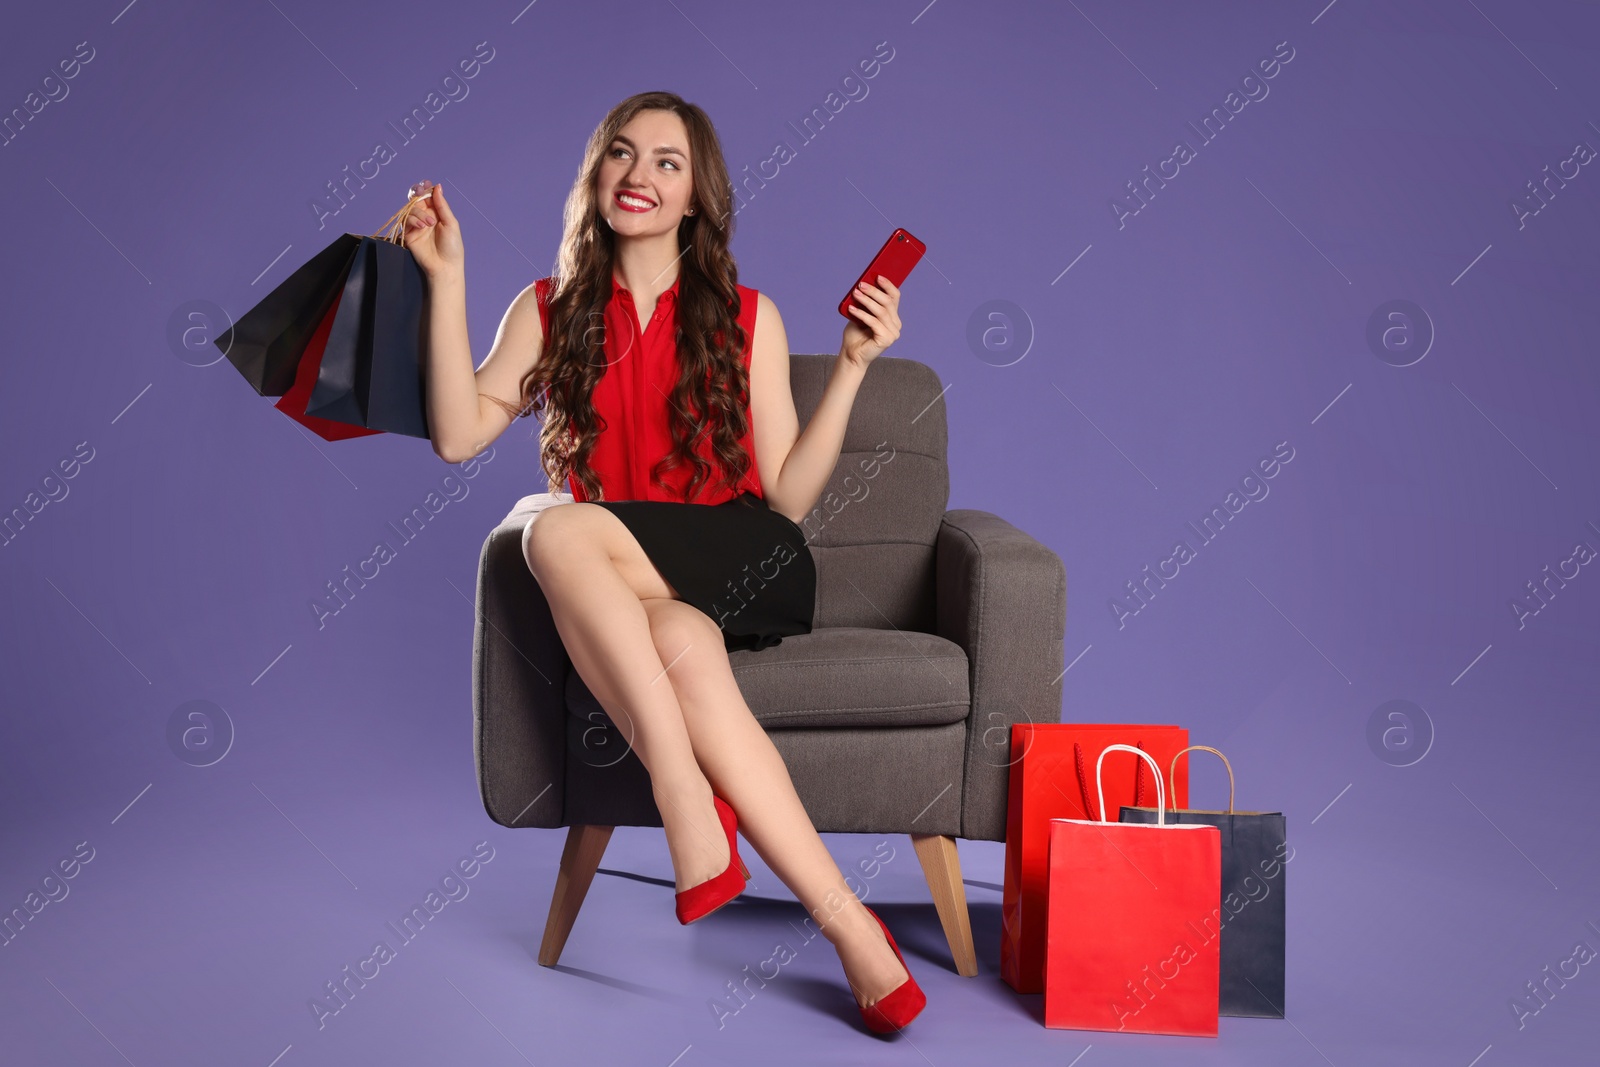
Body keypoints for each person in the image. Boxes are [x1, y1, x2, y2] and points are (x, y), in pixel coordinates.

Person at [407, 91, 924, 1035]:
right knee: (677, 637)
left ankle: (683, 797)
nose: (638, 175)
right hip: (648, 595)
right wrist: (447, 279)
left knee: (556, 531)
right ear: (595, 177)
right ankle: (859, 937)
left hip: (744, 555)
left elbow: (789, 496)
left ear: (698, 198)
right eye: (620, 153)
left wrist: (851, 366)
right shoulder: (549, 310)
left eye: (667, 162)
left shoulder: (748, 316)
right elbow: (455, 434)